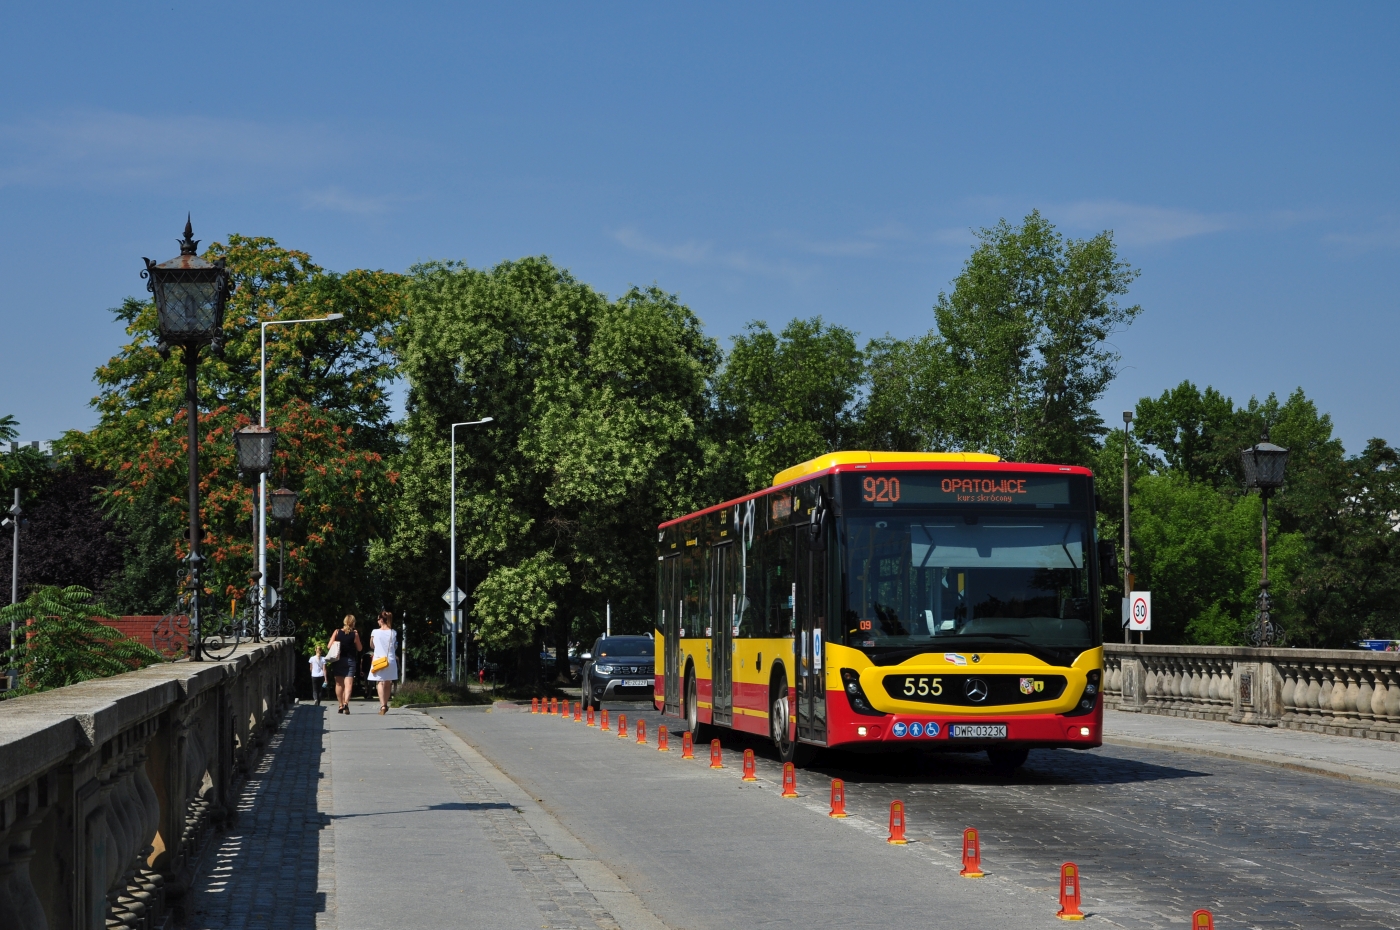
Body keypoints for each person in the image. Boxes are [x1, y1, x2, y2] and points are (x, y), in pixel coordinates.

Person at [329, 616, 363, 714]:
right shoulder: (354, 634)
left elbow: (329, 645)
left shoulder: (337, 632)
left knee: (339, 683)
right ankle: (346, 703)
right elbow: (360, 648)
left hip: (338, 660)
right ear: (353, 623)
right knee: (349, 684)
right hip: (350, 660)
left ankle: (340, 705)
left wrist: (337, 642)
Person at [367, 610, 399, 715]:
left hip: (378, 660)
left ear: (381, 619)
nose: (377, 621)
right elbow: (394, 646)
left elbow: (371, 645)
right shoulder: (393, 632)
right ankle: (386, 703)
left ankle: (383, 705)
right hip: (390, 660)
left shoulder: (374, 632)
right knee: (388, 682)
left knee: (379, 682)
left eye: (378, 619)